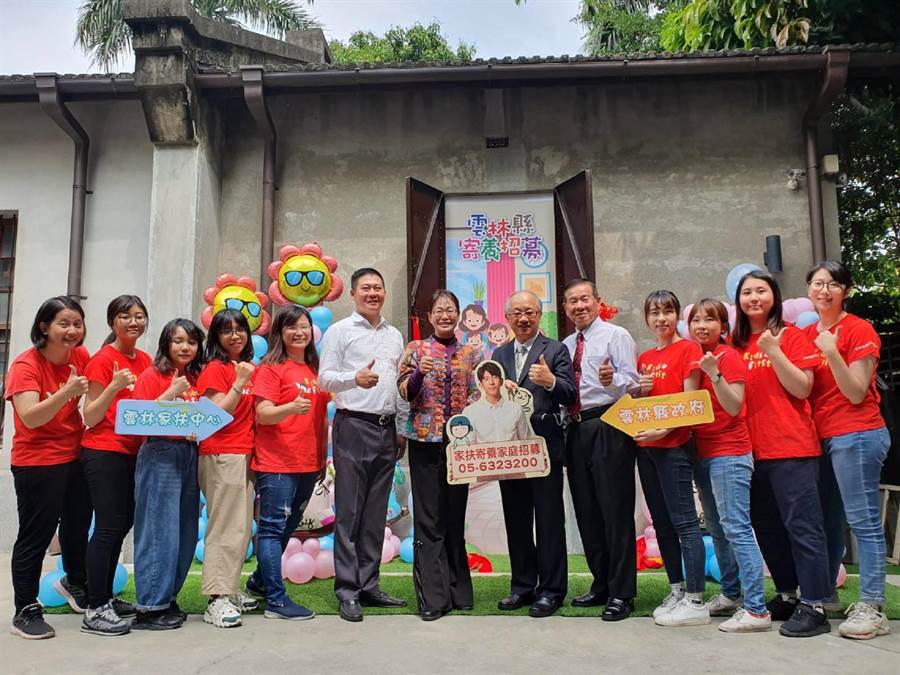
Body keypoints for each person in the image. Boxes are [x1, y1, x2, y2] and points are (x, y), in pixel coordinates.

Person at [732, 270, 831, 638]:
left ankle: (816, 603)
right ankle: (788, 595)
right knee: (768, 530)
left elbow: (803, 387)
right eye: (746, 293)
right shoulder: (735, 343)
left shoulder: (791, 335)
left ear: (773, 296)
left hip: (792, 447)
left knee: (803, 528)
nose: (754, 298)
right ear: (738, 301)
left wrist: (773, 352)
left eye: (761, 291)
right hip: (748, 454)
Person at [804, 260, 891, 640]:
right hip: (818, 438)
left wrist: (832, 350)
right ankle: (827, 595)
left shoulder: (858, 329)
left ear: (846, 291)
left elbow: (856, 390)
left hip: (856, 433)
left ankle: (873, 605)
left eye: (833, 284)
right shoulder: (804, 333)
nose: (824, 290)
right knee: (827, 521)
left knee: (864, 522)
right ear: (809, 288)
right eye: (818, 283)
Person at [319, 268, 408, 622]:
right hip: (353, 425)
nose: (373, 293)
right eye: (366, 288)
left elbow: (400, 384)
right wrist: (353, 378)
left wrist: (401, 428)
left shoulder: (395, 334)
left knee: (375, 513)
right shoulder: (340, 331)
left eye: (378, 288)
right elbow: (324, 378)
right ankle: (347, 590)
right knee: (350, 512)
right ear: (353, 294)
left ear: (384, 293)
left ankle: (369, 585)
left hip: (387, 430)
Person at [7, 297, 92, 640]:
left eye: (77, 324)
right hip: (37, 462)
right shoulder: (25, 365)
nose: (72, 331)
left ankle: (75, 582)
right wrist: (66, 391)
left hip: (75, 455)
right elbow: (31, 416)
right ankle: (24, 610)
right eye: (64, 324)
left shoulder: (81, 357)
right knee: (36, 536)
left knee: (77, 527)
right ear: (45, 327)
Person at [397, 289, 481, 621]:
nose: (445, 315)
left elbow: (478, 392)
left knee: (454, 516)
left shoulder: (472, 352)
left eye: (451, 310)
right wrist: (419, 372)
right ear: (430, 316)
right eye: (439, 310)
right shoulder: (415, 349)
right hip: (424, 443)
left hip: (459, 446)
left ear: (458, 315)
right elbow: (402, 390)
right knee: (428, 518)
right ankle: (432, 597)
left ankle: (459, 591)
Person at [492, 290, 576, 618]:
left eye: (530, 312)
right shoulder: (498, 354)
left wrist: (552, 381)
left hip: (544, 449)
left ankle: (552, 590)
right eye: (517, 313)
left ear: (539, 316)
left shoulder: (556, 350)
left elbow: (570, 395)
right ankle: (522, 586)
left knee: (549, 520)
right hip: (508, 450)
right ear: (508, 318)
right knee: (517, 519)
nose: (523, 318)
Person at [688, 299, 770, 633]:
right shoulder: (694, 358)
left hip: (730, 453)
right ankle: (732, 594)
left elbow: (735, 406)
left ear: (724, 327)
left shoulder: (729, 357)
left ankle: (757, 609)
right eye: (696, 320)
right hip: (703, 453)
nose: (702, 325)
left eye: (710, 319)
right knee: (718, 529)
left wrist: (714, 373)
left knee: (736, 527)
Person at [562, 279, 640, 621]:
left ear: (597, 301)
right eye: (572, 302)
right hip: (575, 429)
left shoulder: (616, 336)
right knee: (587, 512)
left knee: (615, 510)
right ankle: (601, 583)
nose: (579, 306)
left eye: (584, 299)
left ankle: (623, 593)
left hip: (609, 423)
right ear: (565, 309)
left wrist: (613, 381)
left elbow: (634, 382)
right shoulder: (565, 345)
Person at [245, 305, 329, 621]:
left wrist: (321, 459)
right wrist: (291, 407)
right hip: (277, 463)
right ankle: (277, 601)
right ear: (280, 332)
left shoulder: (314, 369)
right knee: (271, 529)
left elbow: (322, 418)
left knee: (288, 527)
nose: (299, 332)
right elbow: (263, 414)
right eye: (291, 326)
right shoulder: (270, 368)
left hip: (309, 462)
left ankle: (258, 582)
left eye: (303, 326)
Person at [634, 290, 707, 627]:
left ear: (676, 315)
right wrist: (640, 392)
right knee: (661, 523)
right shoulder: (646, 357)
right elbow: (641, 406)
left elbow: (692, 403)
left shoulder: (689, 349)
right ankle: (676, 589)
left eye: (667, 311)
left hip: (674, 446)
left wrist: (662, 432)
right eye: (654, 312)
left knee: (685, 524)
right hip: (646, 449)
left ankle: (695, 599)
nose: (660, 318)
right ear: (647, 318)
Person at [80, 295, 152, 636]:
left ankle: (106, 596)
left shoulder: (147, 361)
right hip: (103, 451)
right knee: (107, 528)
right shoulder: (102, 360)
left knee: (121, 527)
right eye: (126, 316)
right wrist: (114, 386)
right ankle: (94, 608)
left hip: (134, 453)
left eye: (139, 316)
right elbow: (90, 416)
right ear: (113, 323)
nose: (133, 322)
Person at [131, 318, 204, 630]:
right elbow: (137, 418)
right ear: (166, 344)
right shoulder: (153, 374)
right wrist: (171, 391)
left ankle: (168, 596)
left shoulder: (197, 376)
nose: (185, 347)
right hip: (160, 453)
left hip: (190, 456)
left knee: (184, 531)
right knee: (159, 530)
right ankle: (150, 605)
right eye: (177, 341)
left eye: (190, 341)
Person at [197, 309, 258, 627]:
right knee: (224, 527)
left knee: (241, 527)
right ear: (216, 337)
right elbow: (212, 416)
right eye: (226, 330)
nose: (235, 335)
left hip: (244, 454)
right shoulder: (216, 368)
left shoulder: (243, 367)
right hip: (222, 453)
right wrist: (239, 383)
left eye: (240, 329)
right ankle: (216, 599)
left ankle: (229, 588)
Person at [464, 361, 530, 443]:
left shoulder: (516, 409)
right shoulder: (470, 412)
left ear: (501, 381)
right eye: (486, 379)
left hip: (512, 455)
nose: (491, 382)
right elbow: (468, 445)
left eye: (494, 377)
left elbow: (526, 441)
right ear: (481, 385)